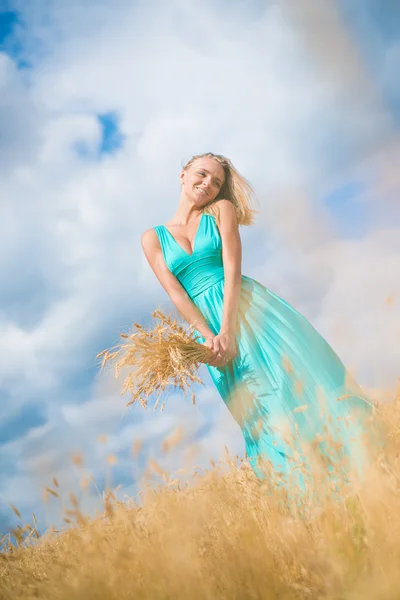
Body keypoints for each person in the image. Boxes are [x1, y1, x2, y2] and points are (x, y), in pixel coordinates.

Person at [141, 152, 375, 494]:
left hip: (247, 313)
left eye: (217, 182)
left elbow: (233, 269)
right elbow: (177, 295)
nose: (208, 184)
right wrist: (209, 337)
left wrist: (227, 329)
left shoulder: (221, 211)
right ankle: (301, 495)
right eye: (202, 174)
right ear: (183, 174)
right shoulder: (152, 238)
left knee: (284, 388)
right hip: (208, 336)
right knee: (255, 410)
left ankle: (353, 477)